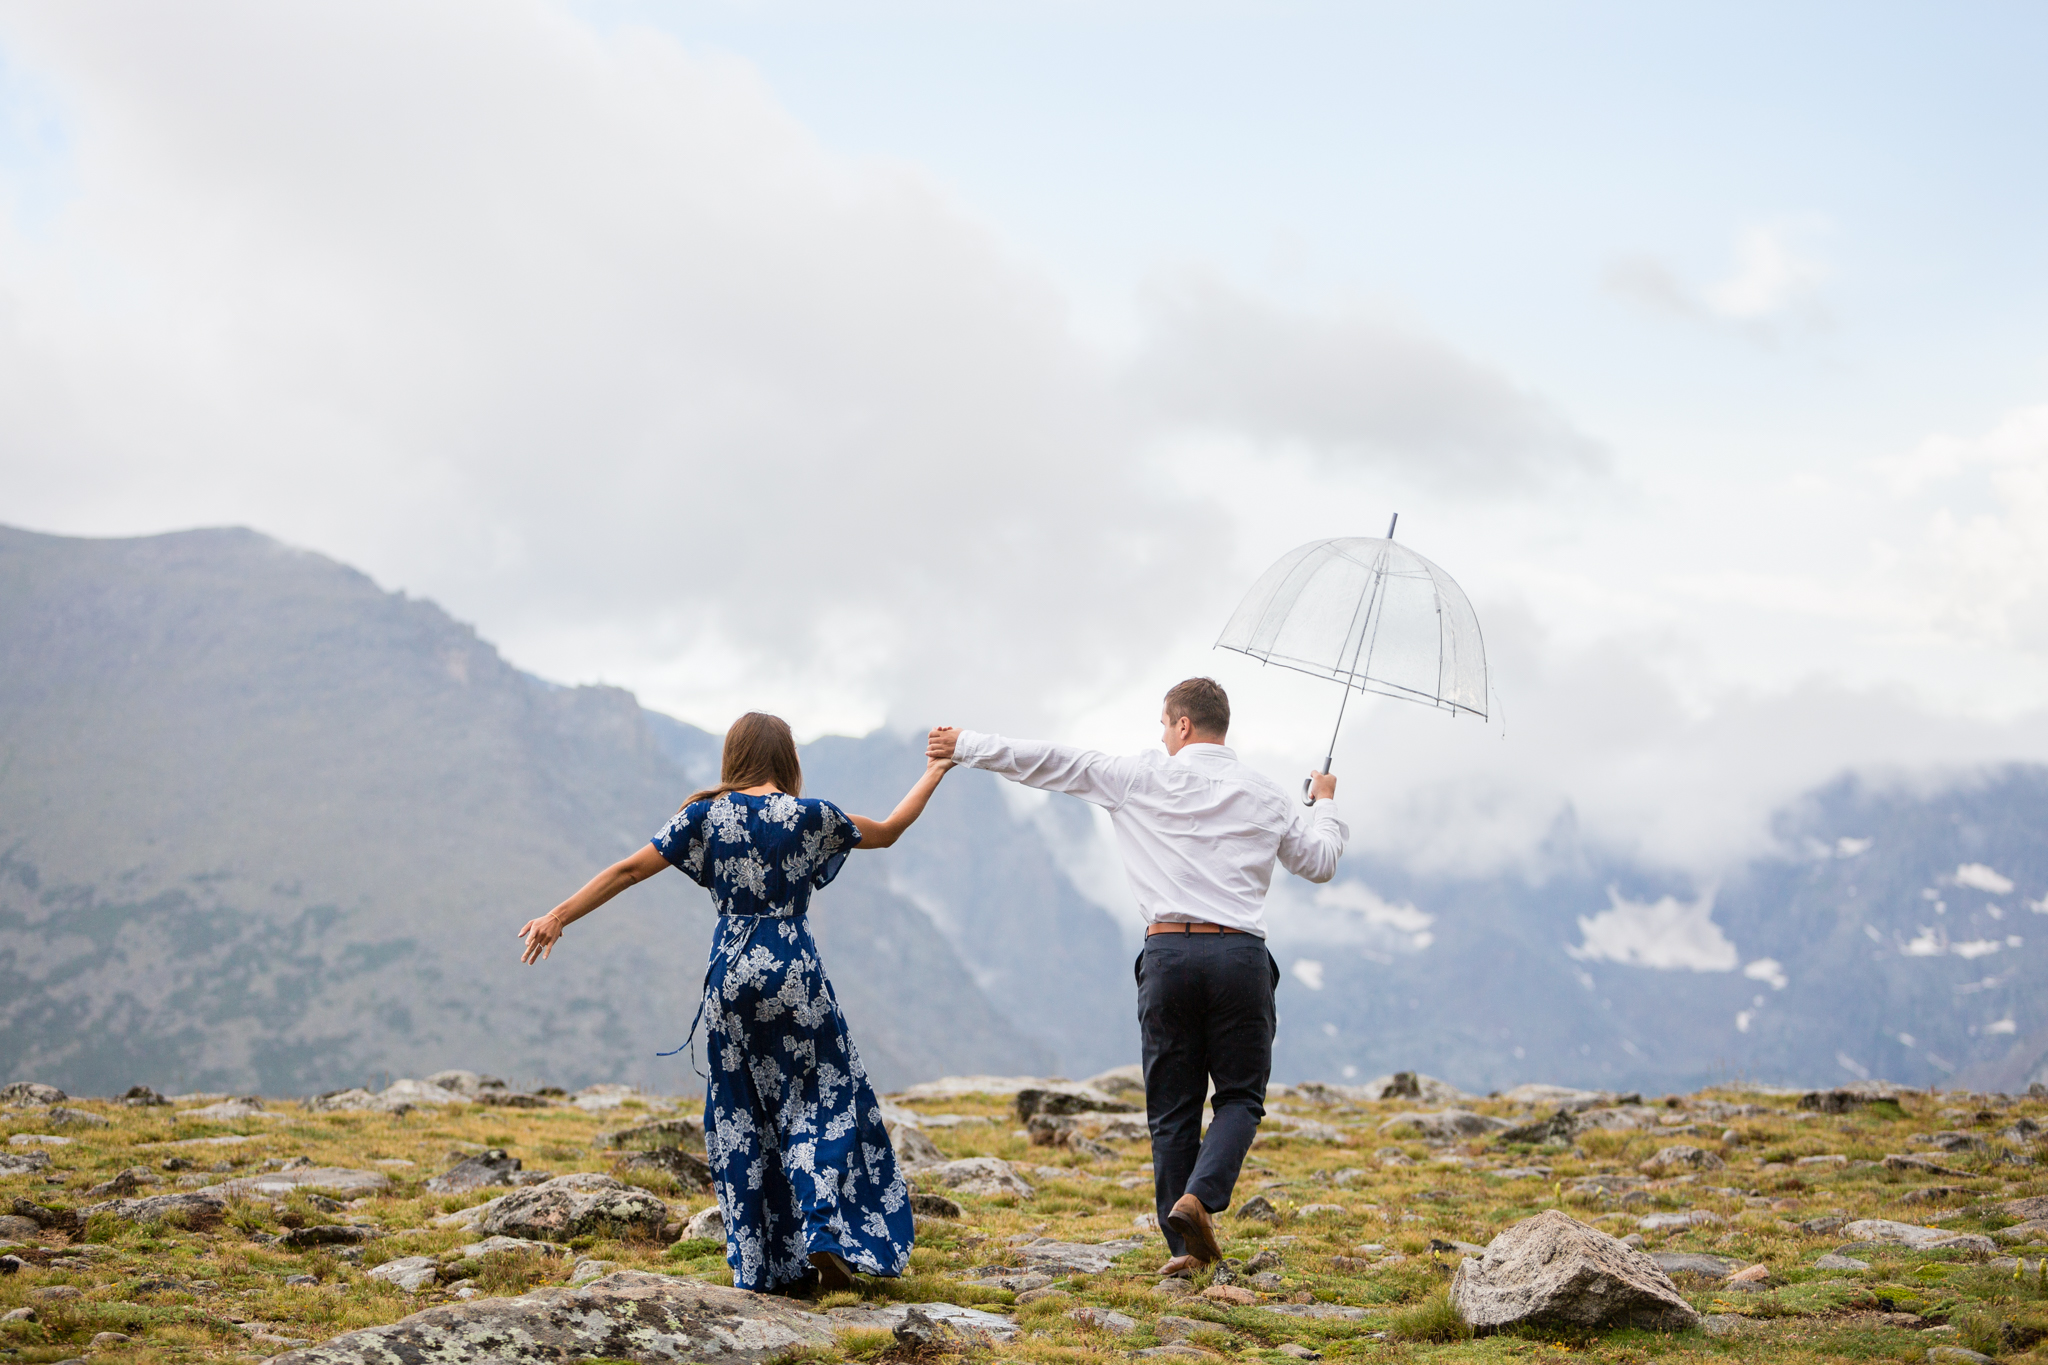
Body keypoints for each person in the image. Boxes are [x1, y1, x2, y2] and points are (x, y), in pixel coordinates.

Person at [518, 711, 952, 1296]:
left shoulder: (703, 816)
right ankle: (823, 1229)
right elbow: (892, 827)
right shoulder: (813, 816)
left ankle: (769, 1262)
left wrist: (556, 917)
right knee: (825, 1098)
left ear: (735, 757)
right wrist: (935, 770)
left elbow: (627, 870)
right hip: (794, 971)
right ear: (787, 761)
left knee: (742, 1112)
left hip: (731, 975)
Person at [926, 677, 1345, 1276]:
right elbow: (1320, 862)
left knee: (1172, 1111)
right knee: (1240, 1098)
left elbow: (1048, 762)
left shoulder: (1138, 776)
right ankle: (1198, 1203)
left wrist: (965, 743)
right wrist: (1324, 801)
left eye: (1163, 724)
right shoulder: (1268, 793)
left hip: (1169, 954)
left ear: (1181, 725)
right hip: (1240, 960)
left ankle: (1184, 1252)